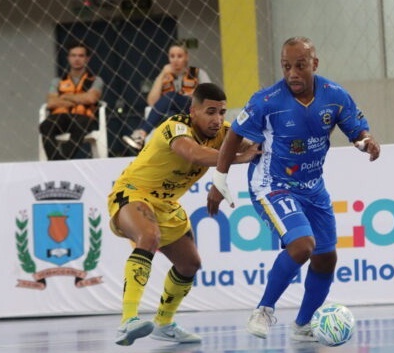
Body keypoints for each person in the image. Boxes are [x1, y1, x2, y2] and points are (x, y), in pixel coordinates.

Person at [206, 37, 380, 341]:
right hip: (272, 184)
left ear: (314, 64)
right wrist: (219, 181)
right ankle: (263, 309)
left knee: (326, 258)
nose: (292, 73)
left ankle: (302, 325)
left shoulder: (335, 96)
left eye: (300, 65)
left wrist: (366, 142)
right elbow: (234, 134)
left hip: (313, 187)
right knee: (302, 246)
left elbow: (356, 130)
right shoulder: (267, 101)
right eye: (286, 66)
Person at [108, 83, 259, 346]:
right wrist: (237, 158)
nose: (218, 119)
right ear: (194, 111)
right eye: (210, 112)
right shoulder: (175, 127)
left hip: (167, 204)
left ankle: (164, 324)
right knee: (148, 236)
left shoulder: (224, 133)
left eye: (222, 112)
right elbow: (194, 153)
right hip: (133, 192)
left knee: (190, 264)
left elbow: (255, 147)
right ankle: (128, 320)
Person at [123, 41, 211, 151]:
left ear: (186, 57)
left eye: (179, 56)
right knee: (171, 112)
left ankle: (141, 133)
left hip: (192, 111)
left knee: (170, 96)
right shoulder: (165, 76)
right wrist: (161, 75)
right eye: (172, 56)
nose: (175, 60)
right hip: (173, 117)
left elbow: (210, 97)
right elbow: (151, 102)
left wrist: (193, 95)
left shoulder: (197, 73)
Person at [39, 41, 104, 160]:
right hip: (61, 116)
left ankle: (62, 160)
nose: (77, 59)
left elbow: (91, 98)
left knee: (81, 124)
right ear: (68, 58)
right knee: (45, 125)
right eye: (73, 55)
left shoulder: (95, 80)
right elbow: (52, 102)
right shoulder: (58, 81)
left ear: (87, 59)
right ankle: (57, 161)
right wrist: (80, 98)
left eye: (81, 56)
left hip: (83, 117)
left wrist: (64, 96)